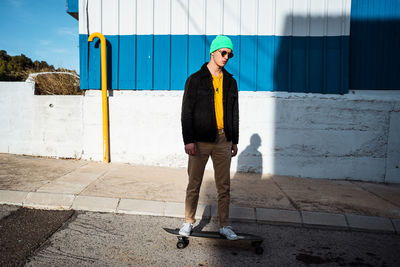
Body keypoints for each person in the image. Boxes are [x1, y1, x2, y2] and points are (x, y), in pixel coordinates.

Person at [179, 35, 239, 240]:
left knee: (224, 186)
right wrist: (188, 140)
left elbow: (234, 112)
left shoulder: (231, 81)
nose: (226, 57)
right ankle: (188, 222)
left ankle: (225, 225)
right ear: (213, 52)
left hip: (224, 140)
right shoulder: (195, 79)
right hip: (200, 140)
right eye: (223, 53)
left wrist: (234, 140)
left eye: (229, 54)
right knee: (194, 183)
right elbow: (186, 112)